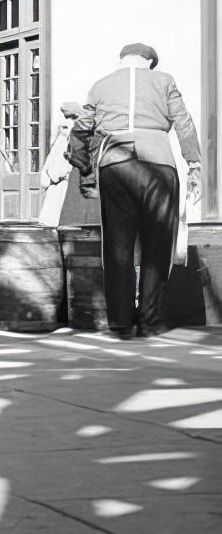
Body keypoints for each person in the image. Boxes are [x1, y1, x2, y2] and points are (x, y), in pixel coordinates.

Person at [68, 42, 201, 339]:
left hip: (115, 165)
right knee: (157, 244)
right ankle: (150, 320)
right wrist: (194, 163)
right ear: (149, 62)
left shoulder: (101, 85)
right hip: (159, 163)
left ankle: (121, 322)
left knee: (117, 246)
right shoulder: (163, 80)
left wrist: (85, 170)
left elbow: (80, 130)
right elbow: (183, 122)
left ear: (123, 60)